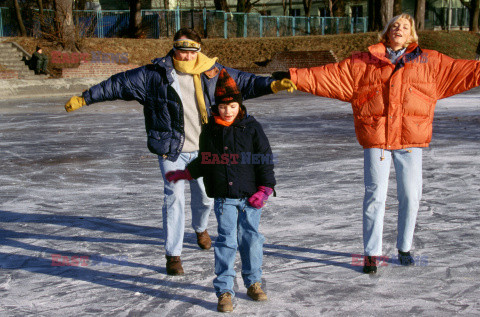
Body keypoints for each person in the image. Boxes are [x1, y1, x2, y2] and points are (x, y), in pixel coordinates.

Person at [64, 28, 295, 276]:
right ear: (174, 49)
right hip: (171, 150)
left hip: (207, 148)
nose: (185, 56)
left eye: (190, 51)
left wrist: (272, 84)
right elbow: (118, 84)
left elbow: (247, 82)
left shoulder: (214, 72)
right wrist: (86, 98)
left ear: (198, 51)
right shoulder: (154, 75)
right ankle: (173, 255)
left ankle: (200, 227)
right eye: (180, 51)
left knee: (206, 198)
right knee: (173, 199)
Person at [278, 13, 480, 274]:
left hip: (410, 139)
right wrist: (294, 76)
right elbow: (327, 76)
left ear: (412, 35)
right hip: (377, 138)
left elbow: (467, 71)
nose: (399, 29)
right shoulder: (363, 62)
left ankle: (404, 247)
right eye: (395, 25)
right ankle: (371, 254)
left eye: (405, 27)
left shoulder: (431, 61)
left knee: (411, 195)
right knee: (375, 196)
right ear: (386, 31)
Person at [166, 68, 276, 312]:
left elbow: (264, 158)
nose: (228, 110)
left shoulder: (252, 127)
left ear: (240, 106)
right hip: (224, 198)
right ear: (217, 106)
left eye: (233, 106)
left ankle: (253, 282)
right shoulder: (210, 130)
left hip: (251, 198)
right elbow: (206, 159)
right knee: (226, 241)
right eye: (224, 106)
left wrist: (266, 188)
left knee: (251, 240)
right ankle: (224, 290)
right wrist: (187, 172)